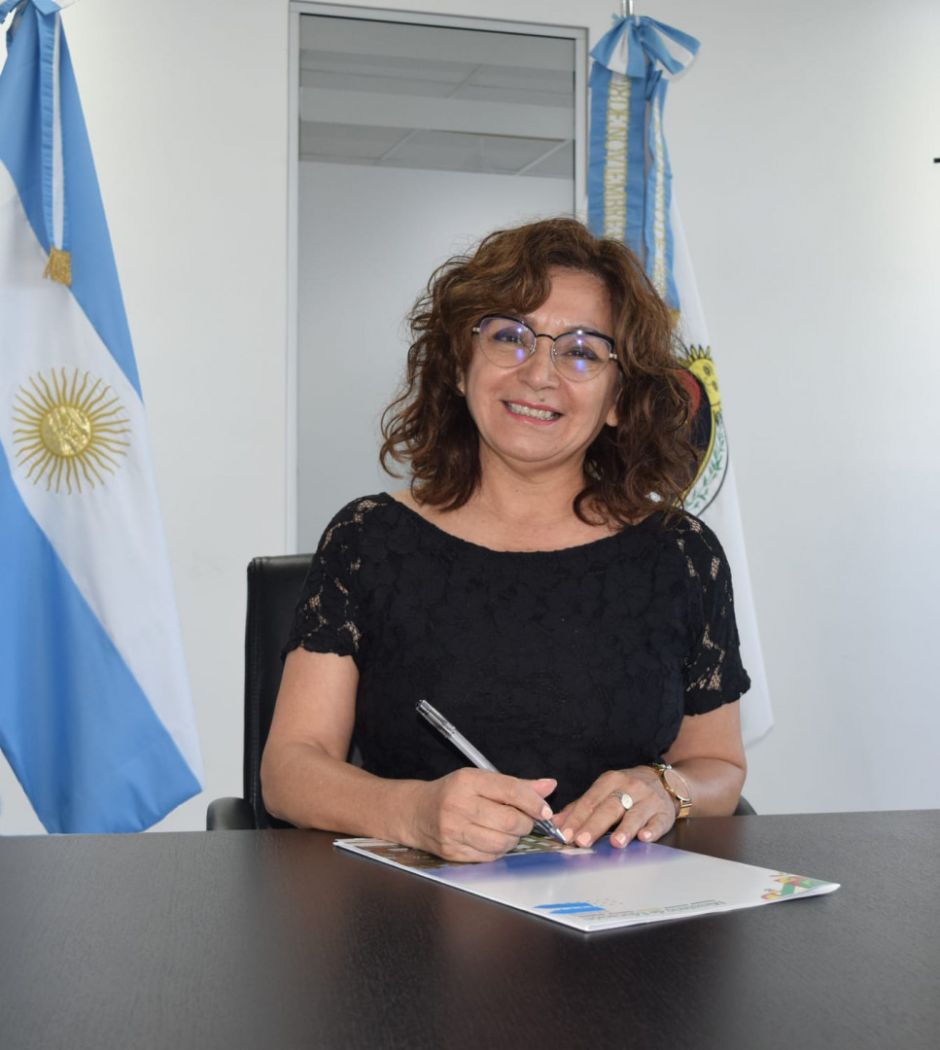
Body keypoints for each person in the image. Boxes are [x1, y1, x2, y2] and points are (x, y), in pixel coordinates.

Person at [261, 217, 750, 863]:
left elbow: (718, 766)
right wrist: (414, 813)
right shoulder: (369, 539)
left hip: (622, 906)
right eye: (510, 337)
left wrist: (667, 787)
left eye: (581, 351)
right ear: (460, 368)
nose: (539, 373)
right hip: (409, 904)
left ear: (618, 399)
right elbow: (289, 771)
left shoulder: (682, 555)